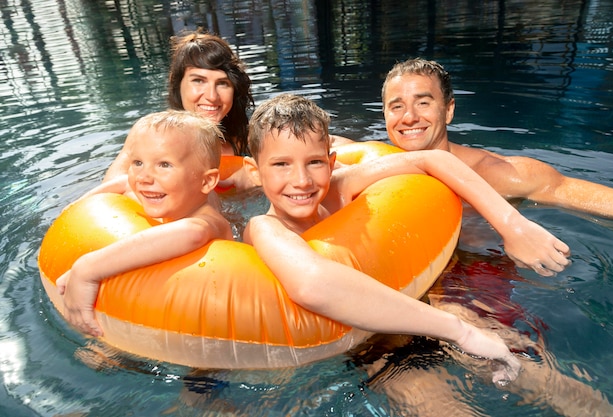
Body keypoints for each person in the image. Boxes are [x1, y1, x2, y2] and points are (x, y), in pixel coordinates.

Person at [241, 93, 572, 384]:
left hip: (424, 302)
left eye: (313, 162)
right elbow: (313, 284)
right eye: (281, 164)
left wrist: (513, 225)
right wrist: (460, 331)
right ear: (255, 172)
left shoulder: (339, 187)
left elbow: (433, 160)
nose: (301, 180)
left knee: (544, 380)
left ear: (330, 162)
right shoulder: (264, 228)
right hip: (372, 345)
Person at [56, 110, 234, 337]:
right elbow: (124, 183)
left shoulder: (209, 220)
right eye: (138, 162)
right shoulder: (155, 190)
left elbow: (192, 233)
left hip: (210, 318)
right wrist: (78, 206)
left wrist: (86, 269)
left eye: (164, 165)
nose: (144, 177)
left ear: (207, 180)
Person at [380, 57, 613, 220]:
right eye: (397, 106)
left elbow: (604, 200)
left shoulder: (498, 174)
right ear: (385, 115)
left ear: (449, 110)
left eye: (423, 103)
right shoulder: (370, 166)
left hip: (478, 274)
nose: (409, 117)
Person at [103, 32, 254, 189]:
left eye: (222, 83)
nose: (212, 96)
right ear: (177, 84)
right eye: (198, 81)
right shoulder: (149, 134)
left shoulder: (248, 140)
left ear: (235, 89)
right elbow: (110, 192)